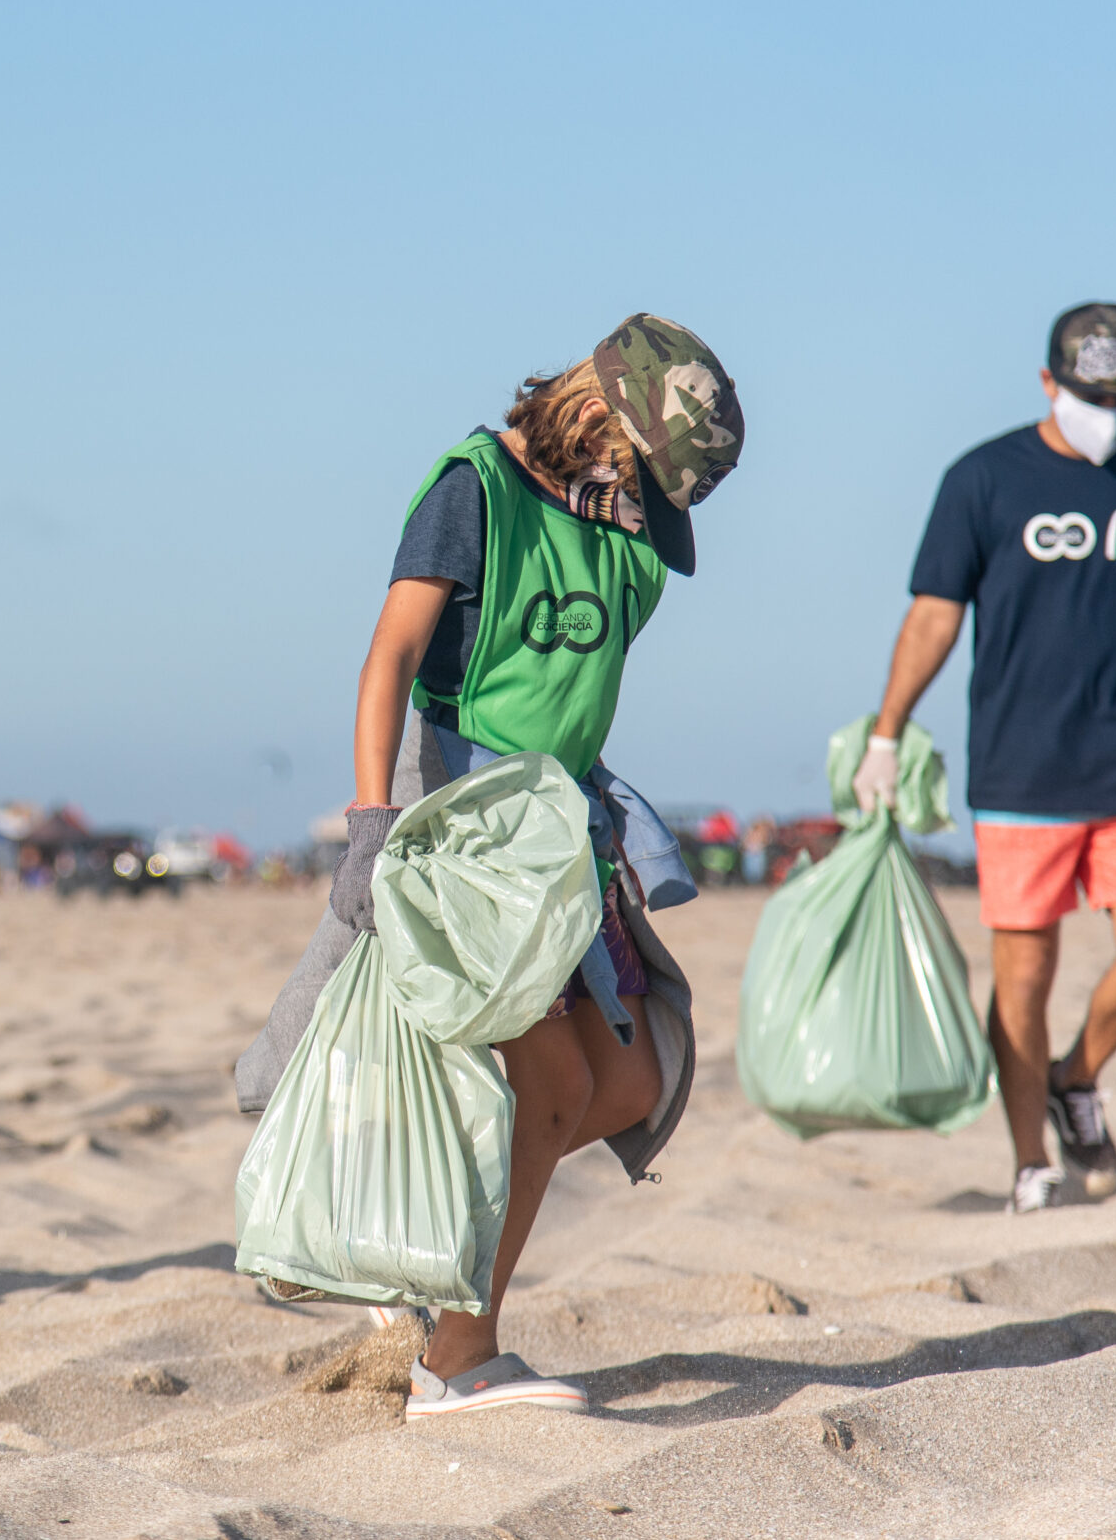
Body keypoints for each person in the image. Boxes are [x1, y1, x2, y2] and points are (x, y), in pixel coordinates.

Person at [235, 314, 746, 1418]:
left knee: (627, 1080)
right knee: (551, 1079)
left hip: (553, 834)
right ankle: (455, 1356)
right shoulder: (473, 490)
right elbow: (390, 655)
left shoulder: (625, 532)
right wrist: (371, 821)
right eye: (639, 473)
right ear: (594, 412)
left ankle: (426, 1260)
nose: (641, 505)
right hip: (459, 818)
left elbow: (571, 687)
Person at [855, 303, 1116, 1215]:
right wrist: (887, 730)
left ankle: (1075, 1076)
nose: (1111, 411)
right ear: (1051, 383)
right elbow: (933, 614)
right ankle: (1027, 1161)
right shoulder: (982, 479)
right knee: (1024, 977)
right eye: (1094, 393)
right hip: (1021, 773)